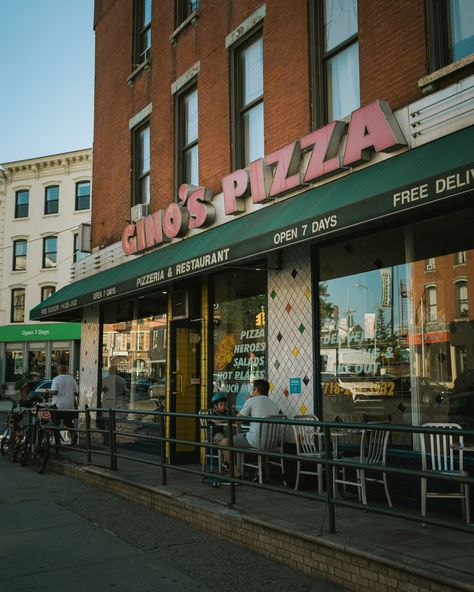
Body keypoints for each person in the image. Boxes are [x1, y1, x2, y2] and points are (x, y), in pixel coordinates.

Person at [221, 379, 280, 478]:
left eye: (253, 389)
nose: (252, 392)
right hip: (272, 443)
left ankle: (235, 474)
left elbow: (238, 420)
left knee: (224, 442)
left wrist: (246, 402)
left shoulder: (251, 400)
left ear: (257, 390)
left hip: (256, 441)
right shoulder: (274, 404)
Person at [45, 364, 79, 446]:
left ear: (58, 371)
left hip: (58, 406)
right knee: (69, 423)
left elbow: (55, 392)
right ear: (66, 370)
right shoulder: (71, 379)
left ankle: (58, 443)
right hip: (69, 406)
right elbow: (75, 392)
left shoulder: (56, 379)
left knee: (56, 424)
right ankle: (74, 435)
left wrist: (48, 391)